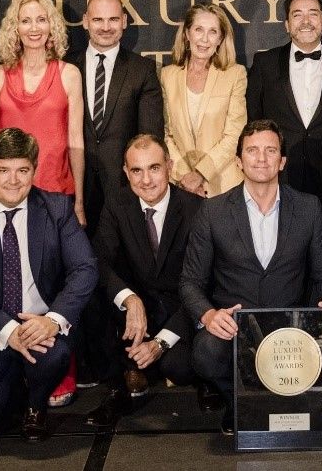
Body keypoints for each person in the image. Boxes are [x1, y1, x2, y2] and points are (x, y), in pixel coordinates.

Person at [179, 119, 322, 434]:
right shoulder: (213, 211)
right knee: (205, 353)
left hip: (291, 325)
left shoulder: (308, 208)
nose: (261, 158)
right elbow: (190, 282)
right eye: (252, 151)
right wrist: (209, 314)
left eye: (270, 151)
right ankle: (239, 403)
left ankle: (276, 402)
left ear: (282, 161)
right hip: (235, 326)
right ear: (239, 161)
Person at [0, 128, 98, 443]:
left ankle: (35, 403)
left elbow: (85, 268)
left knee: (54, 354)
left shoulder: (57, 209)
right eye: (3, 170)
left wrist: (53, 320)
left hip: (41, 329)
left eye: (22, 170)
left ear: (34, 170)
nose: (13, 180)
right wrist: (9, 331)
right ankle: (14, 390)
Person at [0, 0, 86, 404]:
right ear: (14, 28)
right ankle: (8, 369)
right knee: (6, 285)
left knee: (54, 287)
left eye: (41, 20)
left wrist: (79, 200)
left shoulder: (68, 74)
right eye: (26, 20)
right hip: (4, 197)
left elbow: (75, 142)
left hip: (56, 193)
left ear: (51, 27)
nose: (34, 28)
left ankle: (59, 371)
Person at [87, 133, 202, 427]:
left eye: (154, 168)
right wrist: (129, 298)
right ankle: (119, 386)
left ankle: (203, 380)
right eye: (136, 170)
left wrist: (161, 342)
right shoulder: (117, 203)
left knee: (180, 367)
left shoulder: (196, 209)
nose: (146, 180)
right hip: (138, 308)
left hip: (181, 309)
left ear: (169, 167)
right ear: (126, 172)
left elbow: (204, 283)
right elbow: (99, 260)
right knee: (90, 297)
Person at [245, 0, 322, 231]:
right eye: (297, 15)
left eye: (313, 14)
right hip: (279, 174)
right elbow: (253, 121)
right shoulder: (264, 63)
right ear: (286, 24)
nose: (306, 21)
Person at [69, 0, 163, 231]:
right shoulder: (66, 66)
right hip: (71, 188)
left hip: (123, 190)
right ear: (85, 21)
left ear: (124, 21)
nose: (105, 27)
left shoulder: (142, 70)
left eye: (112, 19)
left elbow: (149, 137)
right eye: (98, 20)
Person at [160, 2, 248, 197]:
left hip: (224, 185)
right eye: (198, 30)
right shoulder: (167, 75)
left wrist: (201, 174)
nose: (204, 39)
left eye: (213, 32)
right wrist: (184, 175)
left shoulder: (235, 74)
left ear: (220, 39)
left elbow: (235, 134)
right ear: (187, 34)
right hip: (180, 184)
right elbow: (166, 133)